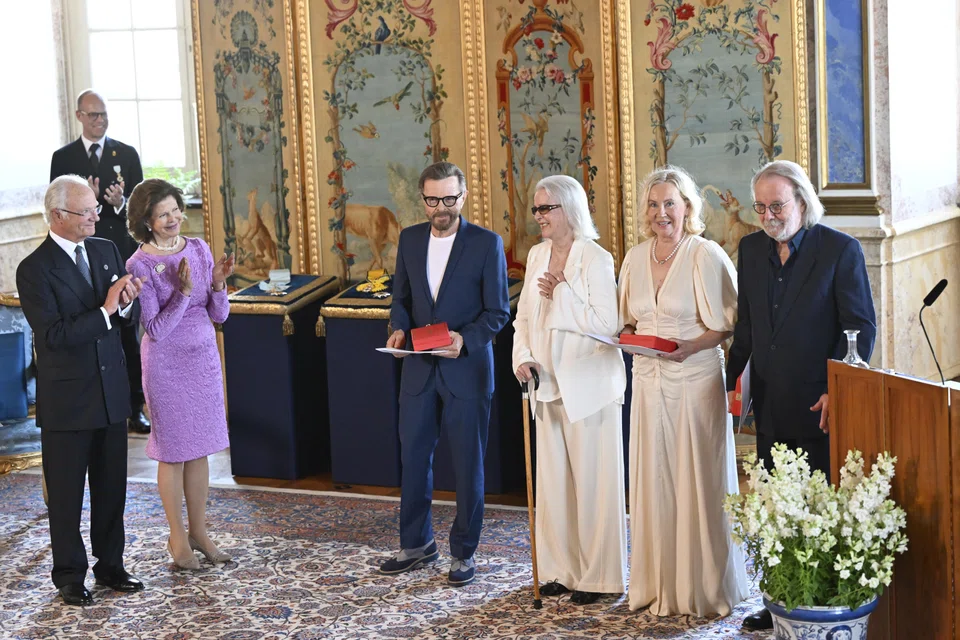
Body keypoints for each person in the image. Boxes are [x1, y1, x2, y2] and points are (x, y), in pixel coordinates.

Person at [726, 160, 876, 631]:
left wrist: (839, 389)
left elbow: (859, 327)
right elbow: (746, 328)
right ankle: (777, 601)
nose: (769, 216)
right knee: (774, 505)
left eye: (778, 205)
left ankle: (821, 601)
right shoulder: (750, 250)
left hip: (820, 406)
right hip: (768, 402)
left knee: (817, 506)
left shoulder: (840, 250)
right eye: (761, 207)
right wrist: (732, 387)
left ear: (803, 202)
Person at [619, 165, 748, 617]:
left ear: (688, 207)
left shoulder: (705, 254)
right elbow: (628, 320)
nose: (661, 213)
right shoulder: (635, 257)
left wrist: (688, 346)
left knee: (697, 479)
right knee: (654, 478)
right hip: (647, 381)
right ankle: (656, 584)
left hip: (694, 379)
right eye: (653, 205)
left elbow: (727, 323)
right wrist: (626, 336)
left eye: (669, 203)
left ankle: (703, 588)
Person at [379, 161, 510, 586]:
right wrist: (398, 328)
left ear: (464, 195)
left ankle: (463, 553)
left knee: (468, 463)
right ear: (423, 199)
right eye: (433, 199)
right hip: (417, 368)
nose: (441, 207)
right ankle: (416, 544)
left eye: (450, 198)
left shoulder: (487, 244)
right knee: (414, 459)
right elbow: (400, 298)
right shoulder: (410, 239)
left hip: (466, 369)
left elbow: (498, 312)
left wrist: (465, 339)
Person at [16, 175, 145, 606]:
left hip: (110, 394)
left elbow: (124, 316)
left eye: (94, 208)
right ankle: (69, 575)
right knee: (68, 497)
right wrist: (108, 309)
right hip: (68, 402)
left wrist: (126, 302)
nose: (95, 215)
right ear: (58, 216)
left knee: (112, 490)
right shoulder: (33, 269)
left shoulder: (106, 249)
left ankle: (111, 565)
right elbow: (53, 335)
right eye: (86, 210)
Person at [512, 175, 627, 605]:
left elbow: (606, 326)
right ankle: (558, 570)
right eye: (537, 209)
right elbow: (523, 317)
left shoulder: (596, 258)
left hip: (591, 387)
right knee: (554, 486)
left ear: (569, 209)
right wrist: (521, 356)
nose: (539, 217)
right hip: (546, 385)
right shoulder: (538, 254)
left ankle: (599, 578)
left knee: (594, 487)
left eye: (547, 209)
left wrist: (562, 293)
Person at [124, 179, 235, 570]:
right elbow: (155, 329)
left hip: (203, 361)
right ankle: (177, 537)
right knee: (173, 454)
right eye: (163, 214)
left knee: (200, 448)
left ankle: (200, 532)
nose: (173, 219)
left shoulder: (200, 248)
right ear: (147, 221)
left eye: (175, 210)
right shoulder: (139, 264)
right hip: (166, 367)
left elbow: (218, 315)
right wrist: (184, 292)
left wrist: (218, 283)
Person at [51, 89, 148, 433]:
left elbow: (140, 210)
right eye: (93, 115)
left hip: (115, 253)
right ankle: (94, 403)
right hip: (77, 257)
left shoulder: (127, 153)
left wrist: (119, 204)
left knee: (126, 333)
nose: (100, 120)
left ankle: (134, 406)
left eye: (104, 114)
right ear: (79, 116)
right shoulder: (63, 158)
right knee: (88, 325)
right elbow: (57, 211)